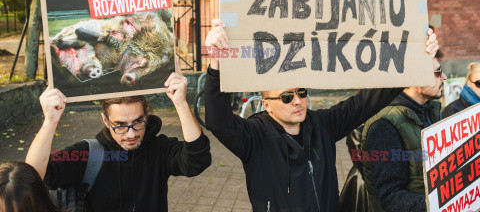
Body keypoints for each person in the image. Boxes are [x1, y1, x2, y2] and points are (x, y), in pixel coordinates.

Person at [203, 19, 439, 212]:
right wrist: (216, 65)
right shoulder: (254, 137)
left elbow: (365, 103)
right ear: (267, 105)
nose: (297, 101)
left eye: (301, 92)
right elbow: (218, 122)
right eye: (286, 97)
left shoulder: (321, 124)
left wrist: (413, 60)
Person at [25, 64, 211, 212]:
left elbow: (197, 160)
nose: (131, 134)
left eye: (138, 122)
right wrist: (49, 123)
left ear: (147, 113)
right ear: (105, 120)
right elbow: (31, 176)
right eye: (120, 125)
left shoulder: (159, 149)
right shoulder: (87, 154)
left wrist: (181, 103)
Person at [359, 50, 446, 212]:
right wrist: (439, 204)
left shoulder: (428, 111)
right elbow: (389, 195)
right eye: (438, 72)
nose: (444, 77)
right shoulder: (384, 125)